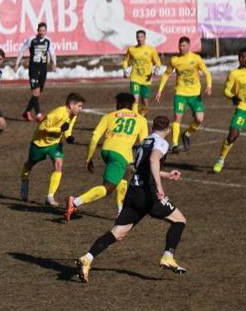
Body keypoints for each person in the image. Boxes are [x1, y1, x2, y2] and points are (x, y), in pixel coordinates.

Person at [76, 116, 187, 283]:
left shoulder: (144, 141)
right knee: (179, 220)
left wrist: (166, 174)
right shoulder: (162, 143)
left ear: (151, 127)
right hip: (147, 194)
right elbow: (153, 160)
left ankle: (87, 258)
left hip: (133, 192)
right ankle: (168, 256)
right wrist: (160, 188)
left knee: (118, 233)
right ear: (168, 131)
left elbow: (143, 166)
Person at [65, 93, 148, 220]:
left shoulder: (108, 116)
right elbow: (143, 144)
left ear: (119, 104)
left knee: (123, 178)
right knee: (108, 188)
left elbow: (94, 138)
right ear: (132, 105)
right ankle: (75, 201)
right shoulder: (141, 120)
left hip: (107, 151)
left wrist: (89, 158)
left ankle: (121, 212)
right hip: (120, 154)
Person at [20, 93, 85, 206]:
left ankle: (50, 196)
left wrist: (68, 136)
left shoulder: (73, 115)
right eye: (79, 106)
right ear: (71, 105)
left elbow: (67, 128)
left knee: (58, 165)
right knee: (30, 164)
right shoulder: (57, 113)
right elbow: (41, 127)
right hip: (39, 144)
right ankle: (24, 181)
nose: (81, 109)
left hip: (55, 144)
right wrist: (59, 129)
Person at [156, 36, 212, 153]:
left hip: (195, 95)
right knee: (177, 116)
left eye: (184, 46)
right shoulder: (175, 60)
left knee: (199, 119)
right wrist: (160, 90)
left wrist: (209, 86)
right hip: (180, 93)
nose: (181, 48)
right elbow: (166, 74)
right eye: (180, 46)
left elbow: (207, 73)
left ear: (189, 46)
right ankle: (175, 144)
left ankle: (187, 134)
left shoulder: (196, 58)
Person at [15, 22, 57, 122]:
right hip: (33, 68)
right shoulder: (32, 40)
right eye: (40, 30)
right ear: (37, 31)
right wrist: (17, 63)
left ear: (46, 31)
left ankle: (27, 111)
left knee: (38, 92)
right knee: (36, 91)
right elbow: (22, 50)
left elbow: (52, 52)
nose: (42, 32)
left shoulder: (48, 41)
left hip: (43, 68)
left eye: (44, 30)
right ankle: (38, 114)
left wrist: (54, 63)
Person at [213, 47, 246, 173]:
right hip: (242, 109)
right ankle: (220, 160)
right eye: (241, 57)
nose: (243, 59)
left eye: (245, 56)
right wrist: (233, 97)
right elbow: (226, 90)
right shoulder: (234, 74)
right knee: (232, 137)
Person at [122, 30, 162, 116]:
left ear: (145, 37)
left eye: (141, 37)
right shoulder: (132, 49)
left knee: (145, 104)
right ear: (136, 38)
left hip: (146, 80)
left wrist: (156, 68)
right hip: (135, 78)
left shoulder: (151, 49)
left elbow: (158, 63)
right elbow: (125, 60)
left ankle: (141, 116)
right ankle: (135, 119)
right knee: (135, 100)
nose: (139, 39)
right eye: (138, 37)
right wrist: (125, 69)